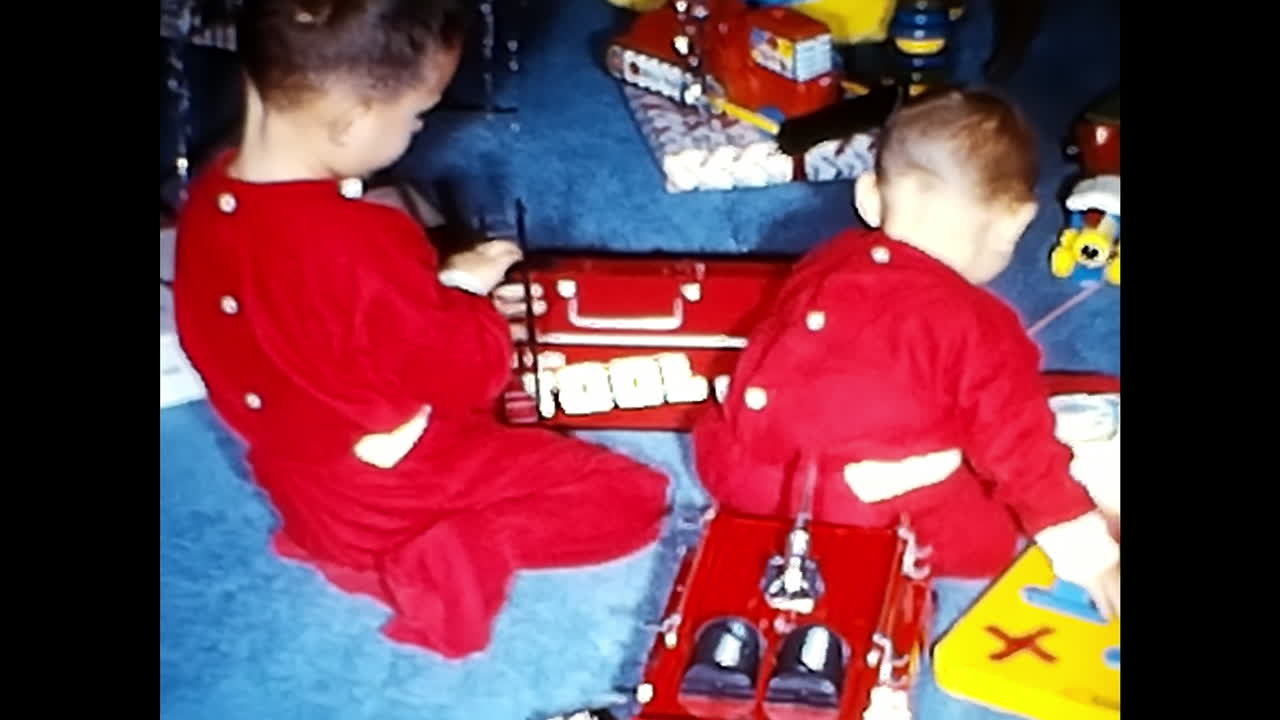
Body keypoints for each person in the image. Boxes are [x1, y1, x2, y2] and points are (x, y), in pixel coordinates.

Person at [172, 0, 669, 660]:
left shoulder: (208, 199)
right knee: (632, 499)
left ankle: (349, 550)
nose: (416, 131)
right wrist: (468, 302)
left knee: (371, 463)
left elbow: (220, 336)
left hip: (298, 480)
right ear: (351, 123)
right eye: (415, 116)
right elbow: (461, 375)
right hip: (388, 480)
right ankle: (452, 552)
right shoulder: (361, 243)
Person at [692, 88, 1119, 716]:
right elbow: (1024, 460)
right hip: (862, 509)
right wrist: (1096, 558)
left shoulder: (827, 259)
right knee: (988, 540)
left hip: (746, 476)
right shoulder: (984, 329)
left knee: (732, 416)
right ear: (1016, 221)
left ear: (870, 197)